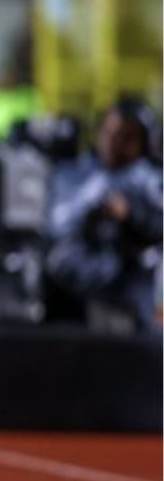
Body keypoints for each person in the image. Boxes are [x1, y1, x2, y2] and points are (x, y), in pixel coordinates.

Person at [46, 100, 162, 334]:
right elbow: (55, 224)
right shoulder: (76, 174)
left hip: (137, 280)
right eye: (108, 132)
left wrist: (131, 214)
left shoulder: (150, 179)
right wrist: (88, 206)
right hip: (84, 278)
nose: (113, 142)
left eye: (125, 137)